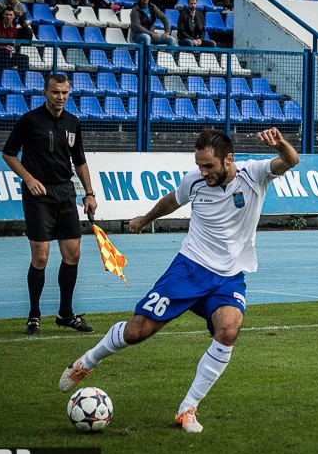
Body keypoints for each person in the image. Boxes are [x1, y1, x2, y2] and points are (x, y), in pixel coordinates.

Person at [57, 128, 300, 433]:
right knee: (136, 332)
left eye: (209, 166)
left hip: (228, 277)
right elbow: (173, 200)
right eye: (200, 165)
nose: (203, 171)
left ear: (229, 159)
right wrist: (146, 218)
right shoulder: (195, 180)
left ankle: (187, 409)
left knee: (229, 329)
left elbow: (290, 161)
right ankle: (87, 363)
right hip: (188, 269)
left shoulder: (254, 174)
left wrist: (279, 144)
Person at [1, 74, 97, 336]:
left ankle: (65, 313)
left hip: (65, 192)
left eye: (65, 93)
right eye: (55, 92)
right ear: (45, 93)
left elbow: (79, 160)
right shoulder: (30, 120)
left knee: (72, 255)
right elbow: (8, 153)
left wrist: (89, 193)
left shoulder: (73, 122)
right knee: (41, 257)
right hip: (38, 195)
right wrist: (29, 178)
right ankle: (34, 315)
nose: (60, 97)